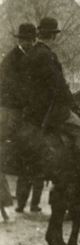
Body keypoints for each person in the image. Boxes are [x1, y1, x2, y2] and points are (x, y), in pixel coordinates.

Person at [24, 17, 80, 185]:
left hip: (33, 108)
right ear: (53, 36)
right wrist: (72, 103)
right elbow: (58, 84)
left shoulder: (32, 53)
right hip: (49, 109)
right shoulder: (47, 55)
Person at [1, 23, 37, 174]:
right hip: (10, 105)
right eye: (25, 40)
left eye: (30, 40)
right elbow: (11, 86)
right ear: (19, 40)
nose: (28, 43)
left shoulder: (30, 56)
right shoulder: (11, 59)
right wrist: (27, 101)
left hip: (21, 104)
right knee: (12, 135)